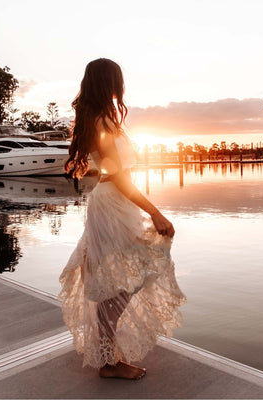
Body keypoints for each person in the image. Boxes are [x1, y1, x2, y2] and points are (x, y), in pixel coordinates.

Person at [59, 58, 186, 380]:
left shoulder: (97, 118)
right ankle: (108, 362)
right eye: (118, 80)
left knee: (119, 279)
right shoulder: (102, 121)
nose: (122, 86)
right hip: (113, 203)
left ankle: (107, 355)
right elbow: (119, 178)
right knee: (122, 280)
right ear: (109, 83)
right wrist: (155, 212)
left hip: (108, 203)